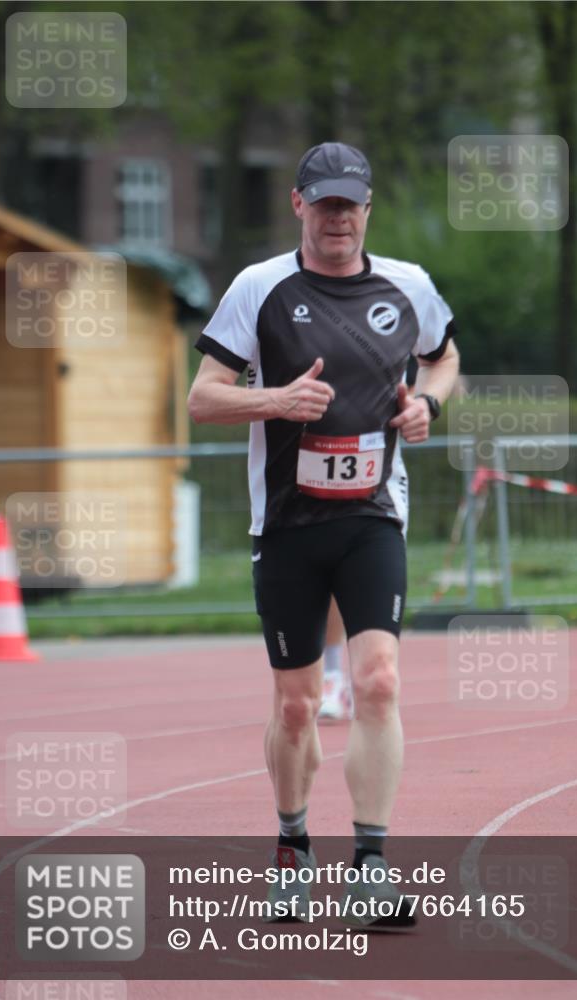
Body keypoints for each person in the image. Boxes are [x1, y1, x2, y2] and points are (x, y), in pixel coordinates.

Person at [187, 141, 459, 926]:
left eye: (351, 204)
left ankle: (371, 864)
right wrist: (273, 402)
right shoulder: (259, 286)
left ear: (367, 209)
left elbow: (442, 361)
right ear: (299, 205)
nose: (338, 217)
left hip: (374, 516)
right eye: (324, 203)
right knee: (298, 704)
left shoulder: (407, 285)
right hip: (287, 524)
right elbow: (203, 398)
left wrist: (427, 407)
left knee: (377, 681)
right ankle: (291, 848)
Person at [319, 357, 418, 722]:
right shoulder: (301, 311)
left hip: (381, 485)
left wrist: (426, 404)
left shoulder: (410, 304)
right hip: (317, 472)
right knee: (328, 581)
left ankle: (376, 674)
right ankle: (332, 676)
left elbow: (442, 358)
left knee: (374, 578)